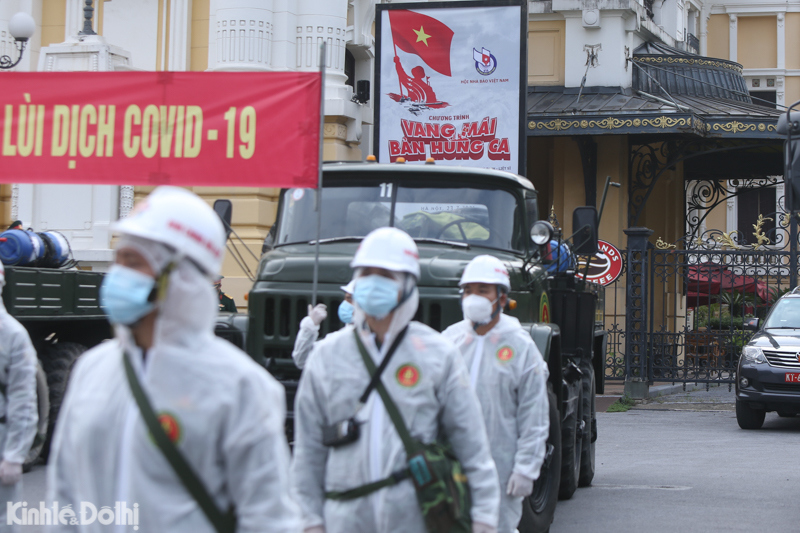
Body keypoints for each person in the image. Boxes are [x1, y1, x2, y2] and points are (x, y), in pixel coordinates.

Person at [47, 187, 301, 532]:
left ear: (179, 276)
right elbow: (64, 495)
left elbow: (268, 520)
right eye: (118, 258)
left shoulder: (241, 387)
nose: (116, 274)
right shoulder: (92, 368)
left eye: (132, 262)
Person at [292, 227, 500, 533]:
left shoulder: (437, 354)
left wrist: (484, 519)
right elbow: (307, 453)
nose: (374, 282)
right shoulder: (326, 356)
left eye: (386, 275)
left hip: (417, 518)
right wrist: (309, 521)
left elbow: (471, 446)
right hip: (343, 521)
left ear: (407, 284)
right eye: (367, 273)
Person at [442, 255, 550, 533]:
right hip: (451, 465)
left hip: (500, 466)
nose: (473, 297)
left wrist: (526, 468)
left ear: (501, 298)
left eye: (482, 290)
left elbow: (534, 415)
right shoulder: (448, 342)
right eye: (468, 290)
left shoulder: (520, 346)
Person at [0, 261, 38, 532]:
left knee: (4, 518)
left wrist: (14, 455)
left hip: (2, 441)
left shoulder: (13, 335)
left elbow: (24, 399)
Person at [292, 281, 355, 369]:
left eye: (350, 299)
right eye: (346, 298)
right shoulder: (337, 342)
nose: (346, 304)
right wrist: (310, 326)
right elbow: (302, 360)